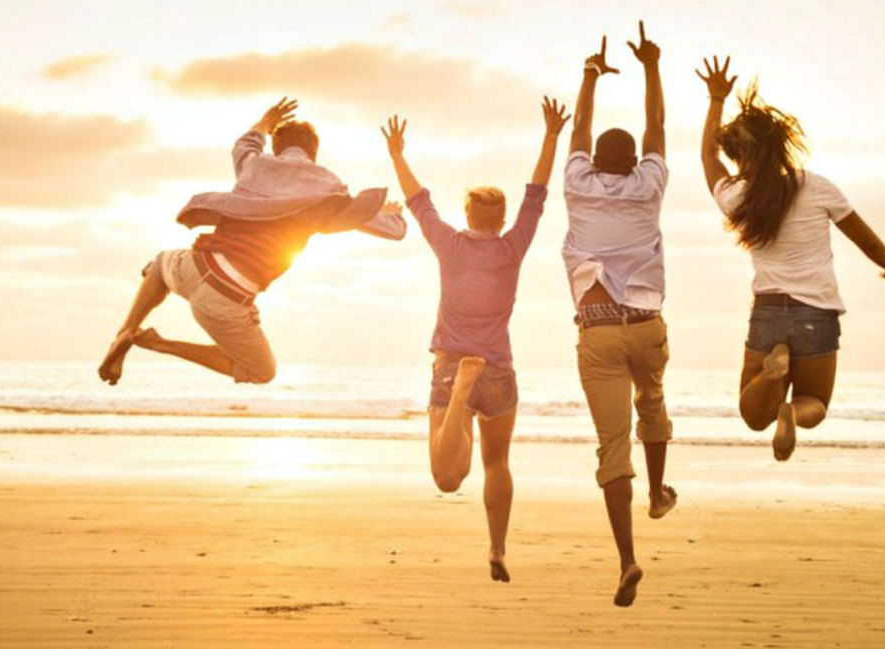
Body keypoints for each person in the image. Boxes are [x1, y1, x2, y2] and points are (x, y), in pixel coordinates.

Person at [379, 98, 570, 583]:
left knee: (448, 478)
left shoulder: (449, 243)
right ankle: (497, 547)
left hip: (451, 366)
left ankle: (462, 393)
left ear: (466, 215)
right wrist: (551, 136)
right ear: (502, 221)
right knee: (497, 462)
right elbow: (536, 195)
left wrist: (397, 154)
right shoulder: (513, 246)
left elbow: (418, 201)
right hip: (498, 369)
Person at [696, 56, 885, 461]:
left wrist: (715, 99)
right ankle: (791, 413)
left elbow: (707, 158)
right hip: (816, 312)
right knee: (815, 402)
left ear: (740, 156)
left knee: (753, 415)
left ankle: (772, 374)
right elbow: (865, 239)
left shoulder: (737, 197)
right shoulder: (815, 186)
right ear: (778, 147)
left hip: (768, 309)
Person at [97, 98, 405, 385]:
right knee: (260, 372)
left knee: (160, 263)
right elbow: (393, 231)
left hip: (194, 266)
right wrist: (391, 213)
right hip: (226, 298)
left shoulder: (255, 166)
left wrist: (265, 122)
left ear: (277, 148)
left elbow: (244, 144)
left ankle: (124, 330)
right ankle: (157, 343)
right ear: (314, 152)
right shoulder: (327, 188)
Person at [562, 22, 676, 608]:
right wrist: (651, 66)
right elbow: (657, 126)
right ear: (633, 161)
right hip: (646, 325)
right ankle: (657, 493)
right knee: (650, 400)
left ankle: (628, 558)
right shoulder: (648, 184)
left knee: (612, 444)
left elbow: (579, 128)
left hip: (599, 330)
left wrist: (590, 76)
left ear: (595, 162)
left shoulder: (576, 185)